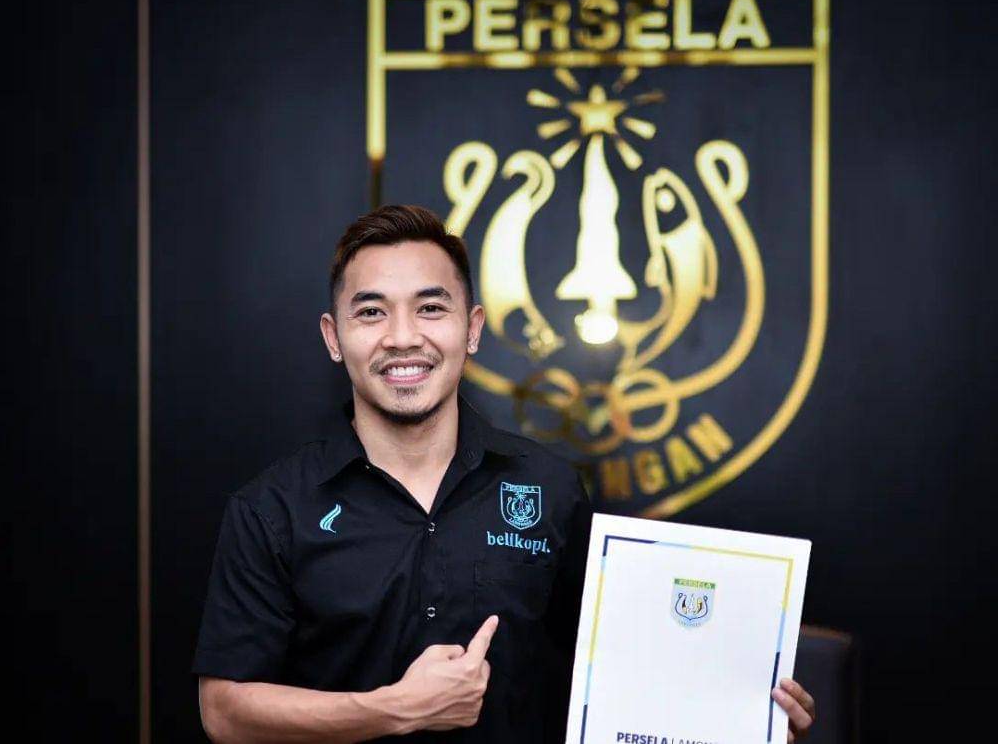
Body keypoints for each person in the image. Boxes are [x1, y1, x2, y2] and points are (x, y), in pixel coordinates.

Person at [192, 204, 816, 743]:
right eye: (372, 313)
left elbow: (615, 678)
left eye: (430, 308)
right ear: (334, 337)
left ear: (472, 329)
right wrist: (395, 709)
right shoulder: (272, 509)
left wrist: (738, 719)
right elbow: (224, 712)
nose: (403, 337)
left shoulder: (550, 488)